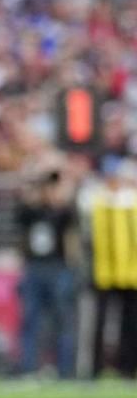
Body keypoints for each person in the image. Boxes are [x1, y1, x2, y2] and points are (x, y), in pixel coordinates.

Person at [16, 167, 80, 378]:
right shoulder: (32, 211)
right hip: (35, 267)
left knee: (62, 320)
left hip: (58, 267)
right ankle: (29, 366)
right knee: (31, 319)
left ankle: (65, 369)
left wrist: (72, 268)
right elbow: (22, 213)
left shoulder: (65, 211)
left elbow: (72, 236)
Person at [86, 162, 137, 378]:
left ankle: (128, 367)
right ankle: (97, 368)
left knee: (130, 325)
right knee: (101, 323)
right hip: (105, 272)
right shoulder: (99, 201)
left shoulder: (128, 202)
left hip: (131, 273)